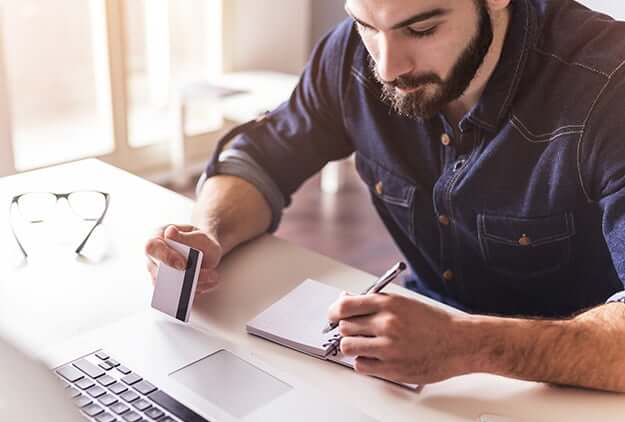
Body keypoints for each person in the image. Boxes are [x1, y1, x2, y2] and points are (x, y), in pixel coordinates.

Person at [146, 0, 625, 392]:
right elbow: (260, 156)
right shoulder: (353, 58)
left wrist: (469, 344)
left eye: (421, 29)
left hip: (577, 386)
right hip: (420, 364)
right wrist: (210, 231)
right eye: (366, 26)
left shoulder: (610, 86)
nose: (389, 66)